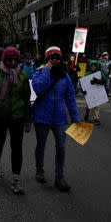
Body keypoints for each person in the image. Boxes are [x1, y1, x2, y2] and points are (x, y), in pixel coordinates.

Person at [0, 47, 31, 195]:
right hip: (0, 117)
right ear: (4, 60)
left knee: (17, 147)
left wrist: (28, 119)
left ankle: (16, 177)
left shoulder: (22, 77)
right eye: (9, 59)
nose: (12, 62)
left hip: (17, 117)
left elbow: (26, 99)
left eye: (15, 60)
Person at [32, 46, 80, 192]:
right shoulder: (40, 72)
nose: (54, 60)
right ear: (46, 59)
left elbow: (70, 98)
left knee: (61, 147)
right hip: (41, 117)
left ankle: (59, 176)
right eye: (51, 57)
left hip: (59, 118)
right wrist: (46, 70)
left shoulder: (65, 76)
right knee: (41, 144)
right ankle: (39, 169)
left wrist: (75, 117)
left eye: (57, 58)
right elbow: (38, 88)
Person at [83, 60, 107, 125]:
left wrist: (97, 81)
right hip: (90, 92)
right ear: (90, 66)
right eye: (92, 65)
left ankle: (96, 118)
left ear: (96, 66)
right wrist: (83, 91)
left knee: (96, 105)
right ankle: (87, 114)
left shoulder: (100, 73)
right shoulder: (87, 73)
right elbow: (83, 83)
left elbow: (105, 81)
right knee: (88, 105)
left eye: (94, 65)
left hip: (97, 91)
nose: (93, 67)